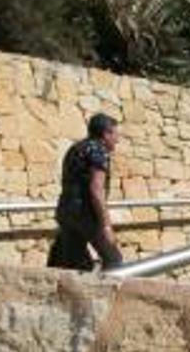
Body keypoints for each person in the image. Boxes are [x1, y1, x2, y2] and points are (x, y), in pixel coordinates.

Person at [48, 113, 123, 271]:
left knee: (75, 265)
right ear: (106, 134)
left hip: (66, 212)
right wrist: (106, 226)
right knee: (114, 261)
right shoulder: (99, 150)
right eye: (116, 134)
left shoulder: (75, 148)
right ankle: (104, 295)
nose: (118, 139)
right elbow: (96, 189)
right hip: (86, 215)